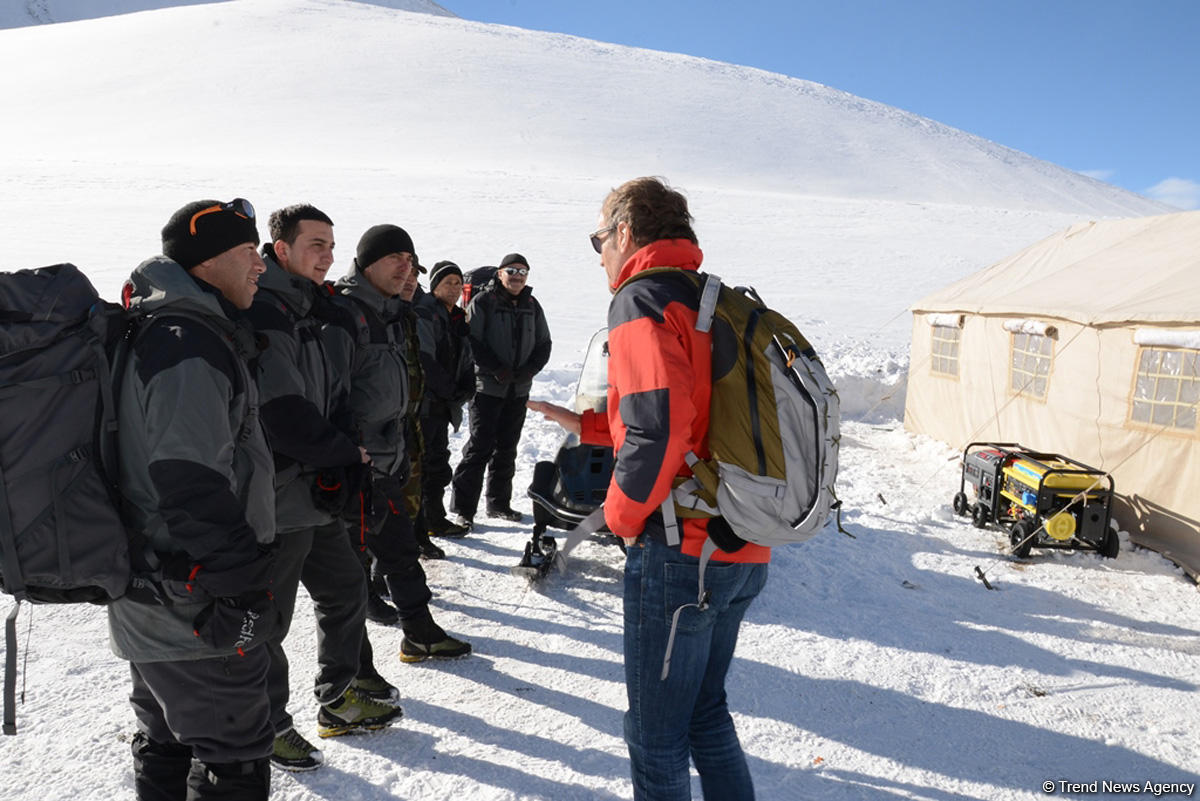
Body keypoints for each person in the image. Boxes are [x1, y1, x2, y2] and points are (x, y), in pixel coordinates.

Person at [528, 177, 769, 801]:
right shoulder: (707, 298)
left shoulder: (641, 299)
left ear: (626, 232)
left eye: (598, 240)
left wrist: (620, 517)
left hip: (680, 551)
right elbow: (694, 414)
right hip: (742, 543)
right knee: (706, 713)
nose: (599, 257)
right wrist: (587, 425)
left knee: (656, 735)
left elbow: (658, 431)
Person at [107, 198, 278, 800]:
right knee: (234, 761)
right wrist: (241, 584)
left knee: (167, 743)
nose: (260, 265)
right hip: (194, 606)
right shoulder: (186, 343)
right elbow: (189, 479)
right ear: (207, 261)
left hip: (158, 593)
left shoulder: (166, 330)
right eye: (248, 251)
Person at [246, 204, 401, 771]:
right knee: (269, 622)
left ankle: (337, 697)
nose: (328, 256)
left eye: (332, 246)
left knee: (346, 590)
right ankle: (266, 726)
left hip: (316, 491)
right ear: (281, 249)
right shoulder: (264, 309)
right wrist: (342, 452)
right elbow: (282, 412)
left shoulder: (311, 307)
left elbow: (331, 393)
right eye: (316, 244)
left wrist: (344, 451)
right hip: (280, 496)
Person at [332, 224, 471, 662]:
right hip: (355, 463)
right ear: (367, 262)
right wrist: (347, 453)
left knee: (401, 550)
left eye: (410, 261)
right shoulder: (343, 313)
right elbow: (330, 394)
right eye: (396, 258)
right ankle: (352, 673)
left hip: (389, 457)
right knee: (348, 572)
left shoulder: (395, 314)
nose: (406, 269)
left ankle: (419, 632)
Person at [449, 252, 552, 528]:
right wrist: (496, 368)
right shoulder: (484, 302)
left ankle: (498, 503)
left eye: (522, 272)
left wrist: (530, 370)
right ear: (500, 273)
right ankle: (463, 509)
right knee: (480, 447)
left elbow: (544, 343)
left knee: (507, 447)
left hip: (518, 389)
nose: (517, 277)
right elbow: (472, 341)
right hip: (487, 388)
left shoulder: (532, 305)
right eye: (512, 271)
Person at [415, 260, 475, 539]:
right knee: (426, 466)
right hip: (426, 403)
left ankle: (433, 518)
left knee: (437, 462)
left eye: (458, 283)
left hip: (442, 404)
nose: (454, 288)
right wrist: (450, 390)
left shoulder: (456, 317)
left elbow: (464, 355)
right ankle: (424, 525)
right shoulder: (426, 313)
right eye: (448, 282)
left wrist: (467, 384)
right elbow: (425, 359)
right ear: (435, 286)